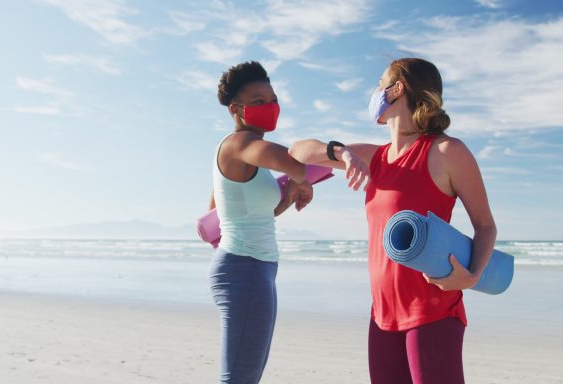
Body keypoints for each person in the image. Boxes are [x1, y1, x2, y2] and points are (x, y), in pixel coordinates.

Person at [288, 57, 497, 384]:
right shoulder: (374, 157)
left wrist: (470, 277)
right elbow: (297, 152)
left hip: (432, 311)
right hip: (382, 316)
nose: (374, 92)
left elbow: (485, 225)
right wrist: (341, 152)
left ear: (396, 89)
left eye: (379, 83)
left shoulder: (446, 152)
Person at [208, 61, 313, 384]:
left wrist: (288, 196)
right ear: (236, 110)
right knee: (240, 377)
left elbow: (231, 216)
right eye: (258, 102)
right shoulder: (239, 144)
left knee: (245, 374)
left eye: (272, 99)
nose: (269, 107)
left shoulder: (246, 154)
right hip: (246, 268)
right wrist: (303, 180)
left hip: (253, 267)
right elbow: (292, 161)